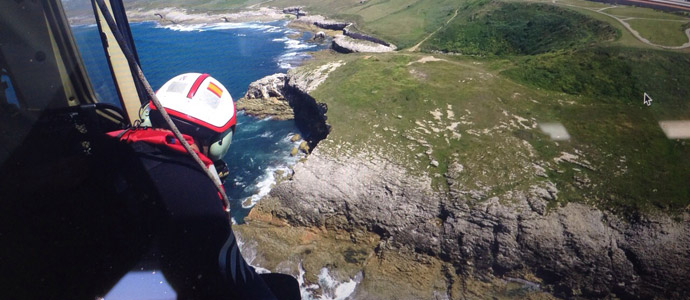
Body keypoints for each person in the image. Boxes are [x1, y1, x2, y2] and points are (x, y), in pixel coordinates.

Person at [106, 73, 296, 300]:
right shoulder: (198, 196)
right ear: (219, 143)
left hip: (119, 279)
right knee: (287, 287)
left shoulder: (113, 147)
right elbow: (242, 282)